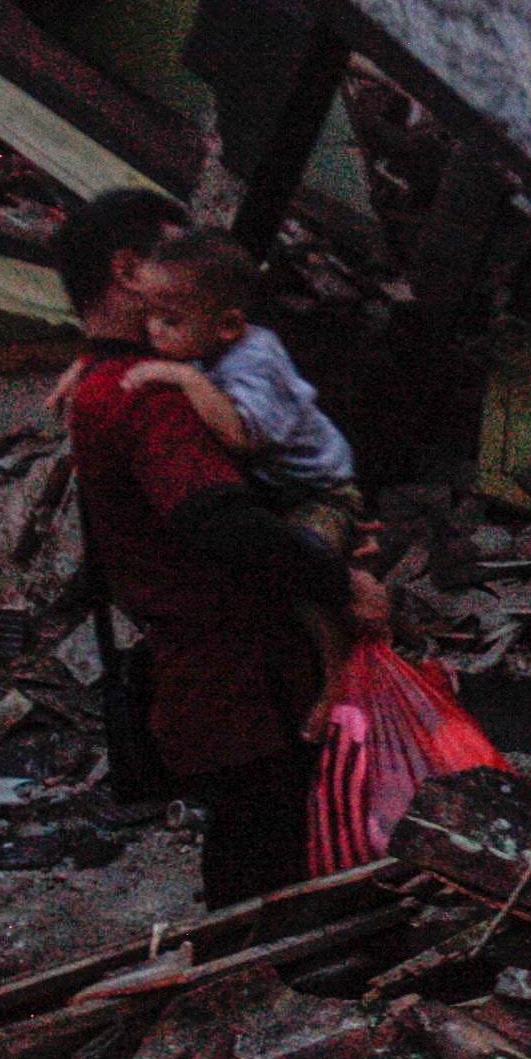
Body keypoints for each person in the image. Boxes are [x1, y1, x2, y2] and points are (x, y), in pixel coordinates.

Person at [52, 190, 376, 906]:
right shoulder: (149, 394)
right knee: (270, 866)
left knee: (256, 851)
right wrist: (339, 581)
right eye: (175, 260)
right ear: (130, 271)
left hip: (211, 675)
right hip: (240, 679)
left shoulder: (107, 381)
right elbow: (219, 522)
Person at [115, 229, 358, 530]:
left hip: (321, 493)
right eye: (149, 313)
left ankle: (353, 575)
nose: (153, 329)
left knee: (297, 560)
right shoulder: (202, 342)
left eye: (170, 320)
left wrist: (185, 377)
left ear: (227, 325)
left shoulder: (257, 360)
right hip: (270, 485)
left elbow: (240, 436)